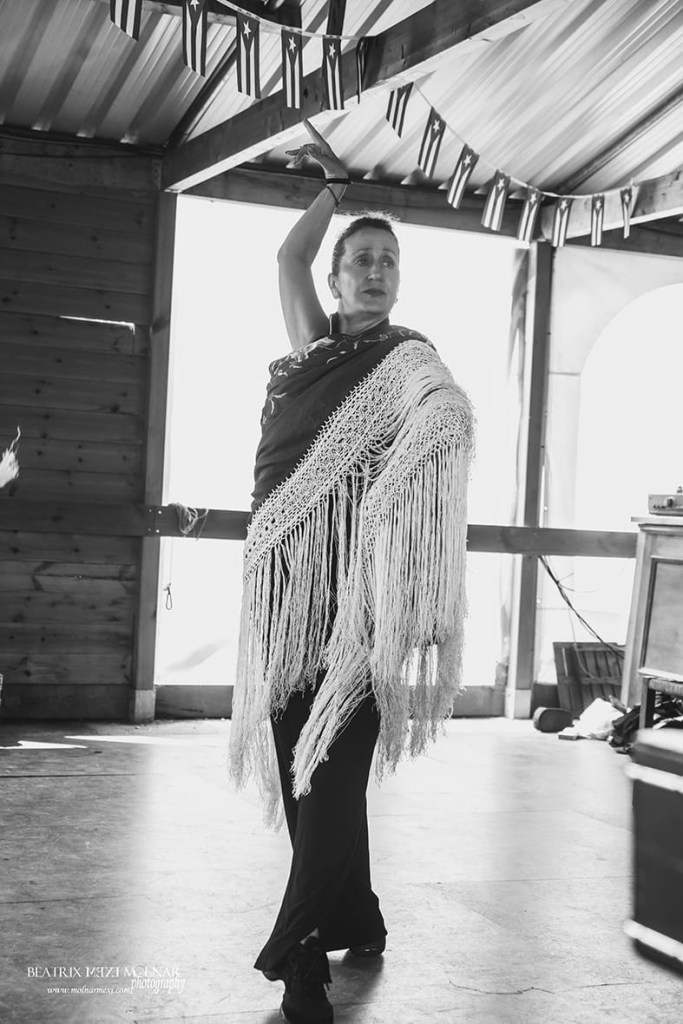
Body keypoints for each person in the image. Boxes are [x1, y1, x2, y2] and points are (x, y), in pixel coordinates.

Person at [229, 120, 474, 1024]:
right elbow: (285, 256)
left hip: (359, 596)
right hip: (284, 587)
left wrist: (443, 422)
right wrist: (333, 188)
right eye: (360, 260)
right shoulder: (311, 349)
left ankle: (300, 951)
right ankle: (357, 914)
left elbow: (443, 405)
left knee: (332, 766)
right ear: (335, 280)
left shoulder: (407, 359)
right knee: (306, 764)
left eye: (387, 261)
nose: (375, 271)